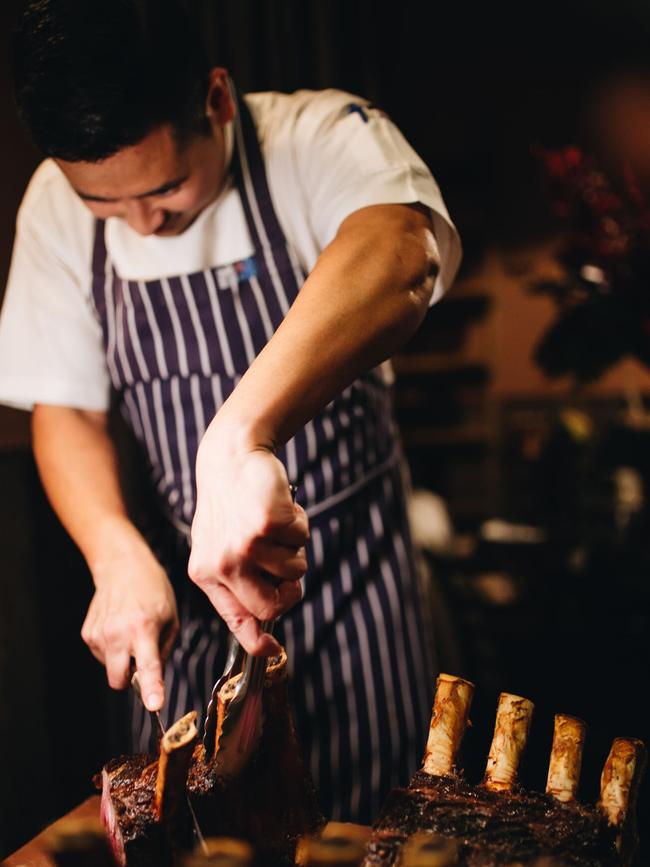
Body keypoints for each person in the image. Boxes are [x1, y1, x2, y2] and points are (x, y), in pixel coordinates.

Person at [0, 0, 461, 822]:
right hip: (186, 602)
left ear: (215, 99)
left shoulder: (319, 137)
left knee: (380, 829)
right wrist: (114, 553)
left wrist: (238, 436)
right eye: (106, 204)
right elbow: (65, 407)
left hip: (358, 590)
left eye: (169, 185)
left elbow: (402, 250)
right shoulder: (53, 207)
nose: (145, 220)